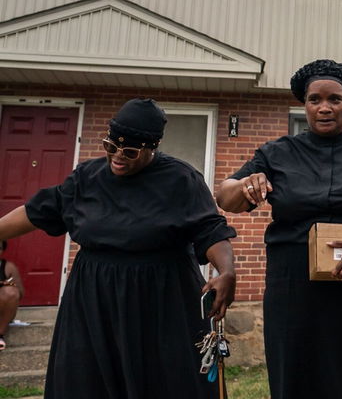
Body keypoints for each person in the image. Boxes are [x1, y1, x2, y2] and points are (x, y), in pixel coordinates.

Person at [0, 98, 237, 399]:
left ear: (153, 148)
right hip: (93, 299)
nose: (117, 158)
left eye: (130, 152)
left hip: (161, 300)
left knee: (164, 380)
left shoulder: (181, 179)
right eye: (110, 147)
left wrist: (226, 270)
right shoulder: (87, 177)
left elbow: (211, 230)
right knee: (86, 380)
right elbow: (38, 211)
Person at [216, 60, 342, 399]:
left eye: (335, 99)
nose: (324, 107)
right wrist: (246, 183)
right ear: (303, 104)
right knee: (297, 367)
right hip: (294, 282)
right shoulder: (277, 153)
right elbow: (225, 196)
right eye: (314, 99)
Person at [0, 237, 24, 351]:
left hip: (2, 308)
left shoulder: (8, 266)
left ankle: (0, 335)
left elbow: (20, 293)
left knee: (11, 292)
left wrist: (8, 285)